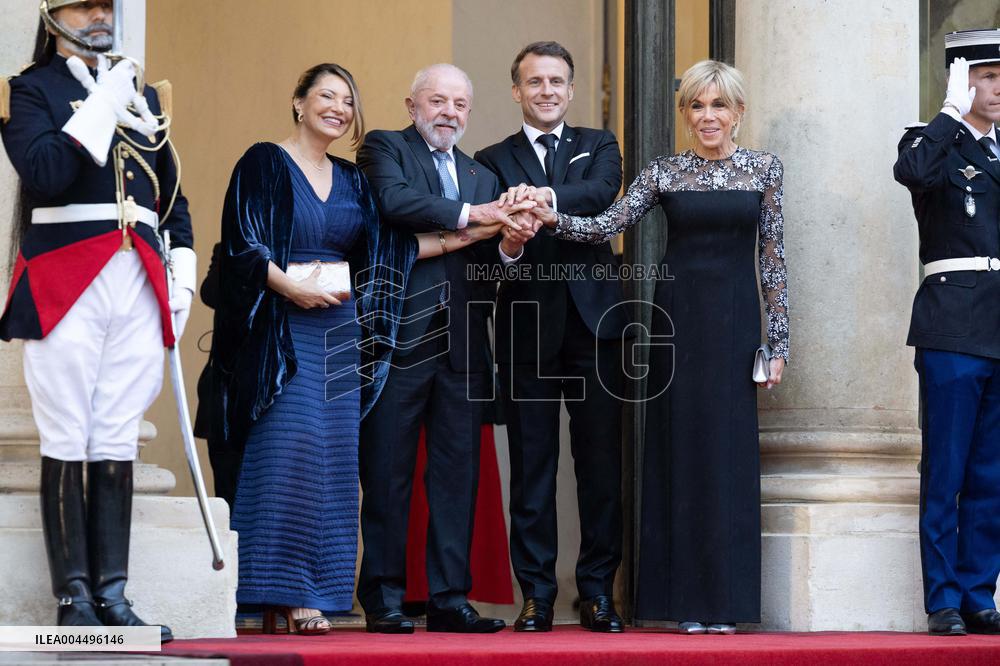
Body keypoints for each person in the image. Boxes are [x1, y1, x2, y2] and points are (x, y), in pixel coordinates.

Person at [211, 62, 507, 635]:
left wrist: (474, 231)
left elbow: (384, 253)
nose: (338, 108)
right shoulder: (263, 161)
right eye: (325, 96)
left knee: (334, 465)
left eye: (346, 100)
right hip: (283, 324)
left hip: (340, 330)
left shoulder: (349, 179)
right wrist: (287, 283)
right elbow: (243, 245)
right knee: (286, 454)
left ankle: (315, 597)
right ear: (299, 102)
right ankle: (272, 591)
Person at [529, 59, 788, 634]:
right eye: (697, 106)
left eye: (719, 105)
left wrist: (778, 344)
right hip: (677, 323)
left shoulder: (764, 169)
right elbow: (605, 225)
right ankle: (683, 605)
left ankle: (726, 605)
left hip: (737, 325)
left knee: (728, 457)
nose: (708, 116)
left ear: (738, 112)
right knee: (681, 452)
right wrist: (550, 216)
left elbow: (772, 262)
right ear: (685, 114)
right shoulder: (665, 172)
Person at [0, 0, 194, 642]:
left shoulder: (143, 96)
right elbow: (47, 173)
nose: (98, 17)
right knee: (67, 428)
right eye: (82, 7)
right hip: (66, 274)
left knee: (114, 430)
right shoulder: (30, 90)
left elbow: (171, 197)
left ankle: (113, 596)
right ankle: (73, 599)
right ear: (53, 18)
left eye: (106, 6)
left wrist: (182, 272)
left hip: (137, 274)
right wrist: (104, 101)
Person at [356, 63, 536, 634]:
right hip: (400, 339)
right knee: (388, 472)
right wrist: (475, 218)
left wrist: (507, 243)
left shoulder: (480, 174)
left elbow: (484, 270)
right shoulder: (385, 149)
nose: (449, 113)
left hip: (463, 346)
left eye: (460, 104)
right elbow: (396, 205)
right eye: (438, 101)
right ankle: (383, 596)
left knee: (457, 477)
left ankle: (449, 598)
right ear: (412, 105)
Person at [474, 41, 627, 633]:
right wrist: (509, 238)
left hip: (596, 331)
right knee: (532, 468)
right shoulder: (490, 158)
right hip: (526, 328)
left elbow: (598, 195)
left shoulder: (600, 146)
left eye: (556, 82)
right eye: (534, 82)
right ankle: (536, 594)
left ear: (571, 89)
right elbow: (492, 238)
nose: (546, 91)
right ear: (516, 91)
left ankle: (596, 593)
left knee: (599, 470)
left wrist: (540, 200)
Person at [893, 29, 1000, 637]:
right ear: (961, 80)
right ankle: (943, 599)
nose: (998, 87)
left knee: (992, 473)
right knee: (948, 469)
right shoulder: (932, 142)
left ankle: (979, 593)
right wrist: (949, 113)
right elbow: (912, 171)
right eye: (986, 75)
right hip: (952, 325)